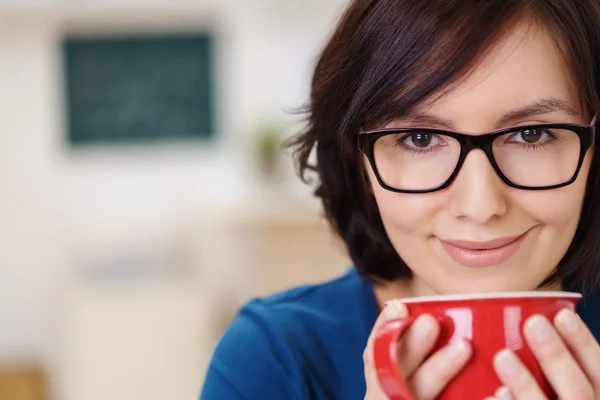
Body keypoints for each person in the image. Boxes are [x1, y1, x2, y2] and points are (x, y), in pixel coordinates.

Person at [200, 0, 600, 399]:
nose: (480, 206)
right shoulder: (274, 361)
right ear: (358, 162)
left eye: (532, 135)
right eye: (420, 139)